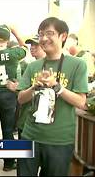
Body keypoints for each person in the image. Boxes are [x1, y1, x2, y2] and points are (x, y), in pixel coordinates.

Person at [17, 17, 88, 176]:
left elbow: (81, 102)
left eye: (49, 33)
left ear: (63, 36)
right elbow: (21, 99)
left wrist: (57, 87)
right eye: (41, 34)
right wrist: (35, 87)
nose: (43, 38)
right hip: (29, 136)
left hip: (60, 140)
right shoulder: (33, 66)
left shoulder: (78, 65)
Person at [0, 24, 27, 171]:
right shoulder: (13, 53)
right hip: (8, 94)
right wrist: (16, 32)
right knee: (7, 130)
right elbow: (25, 48)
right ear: (8, 39)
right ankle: (9, 163)